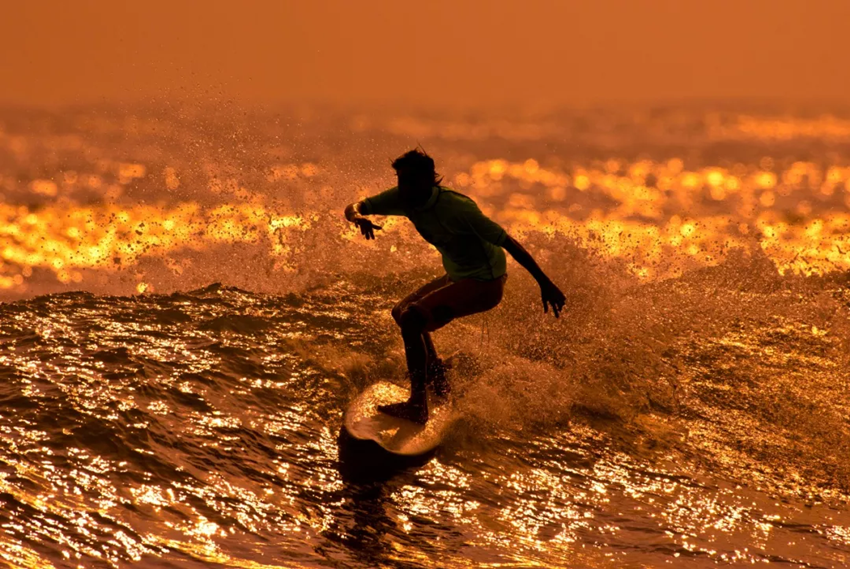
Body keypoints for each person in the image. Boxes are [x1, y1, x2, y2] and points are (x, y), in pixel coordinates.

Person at [344, 149, 565, 424]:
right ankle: (437, 376)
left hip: (486, 281)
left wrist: (545, 283)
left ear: (429, 180)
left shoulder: (459, 208)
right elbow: (353, 208)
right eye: (401, 180)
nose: (405, 188)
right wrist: (358, 219)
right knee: (401, 312)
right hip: (459, 276)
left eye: (412, 181)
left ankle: (417, 405)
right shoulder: (403, 198)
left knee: (413, 318)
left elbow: (507, 242)